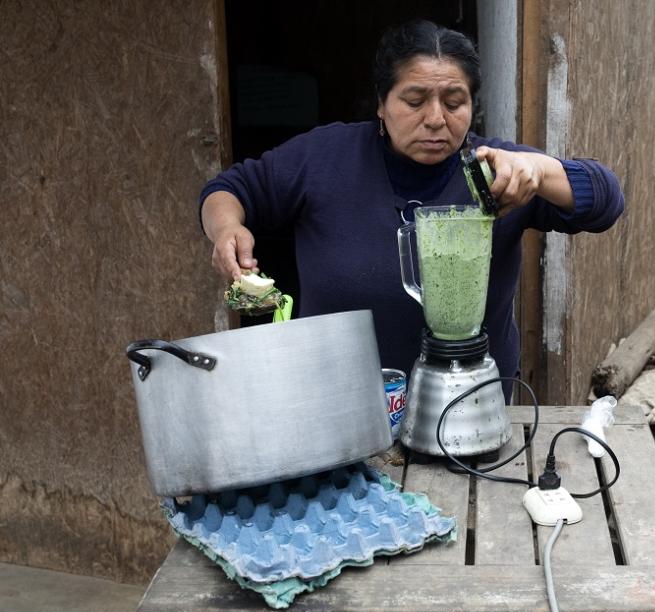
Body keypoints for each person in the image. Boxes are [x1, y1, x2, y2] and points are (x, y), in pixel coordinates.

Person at [200, 19, 624, 401]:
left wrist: (541, 169)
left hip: (471, 402)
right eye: (415, 100)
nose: (436, 119)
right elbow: (229, 189)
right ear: (382, 104)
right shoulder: (325, 158)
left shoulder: (497, 171)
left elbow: (605, 202)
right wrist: (226, 228)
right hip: (338, 404)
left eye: (454, 101)